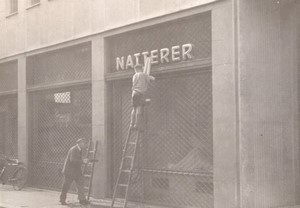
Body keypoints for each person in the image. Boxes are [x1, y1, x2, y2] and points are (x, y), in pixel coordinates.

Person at [59, 138, 90, 205]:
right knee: (66, 186)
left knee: (80, 185)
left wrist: (83, 160)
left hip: (76, 171)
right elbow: (72, 160)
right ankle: (62, 199)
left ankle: (82, 200)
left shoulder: (78, 149)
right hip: (70, 171)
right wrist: (83, 161)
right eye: (85, 143)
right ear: (80, 143)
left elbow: (76, 159)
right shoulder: (74, 149)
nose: (86, 145)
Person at [130, 57, 155, 130]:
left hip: (134, 93)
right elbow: (152, 79)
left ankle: (132, 124)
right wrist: (149, 77)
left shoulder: (134, 76)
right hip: (140, 93)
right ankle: (137, 125)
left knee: (134, 109)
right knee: (139, 108)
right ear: (141, 68)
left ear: (136, 69)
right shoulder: (144, 75)